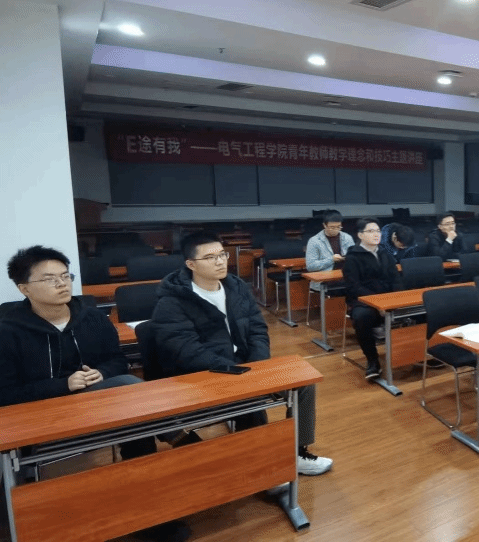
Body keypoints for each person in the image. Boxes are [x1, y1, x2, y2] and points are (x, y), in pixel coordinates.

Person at [1, 245, 194, 541]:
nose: (62, 284)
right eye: (50, 279)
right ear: (24, 288)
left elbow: (117, 361)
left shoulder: (92, 318)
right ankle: (181, 438)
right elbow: (6, 394)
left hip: (95, 404)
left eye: (65, 276)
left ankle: (148, 511)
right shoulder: (7, 332)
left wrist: (102, 373)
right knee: (130, 391)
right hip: (40, 415)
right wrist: (63, 385)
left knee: (134, 411)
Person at [151, 231, 333, 476]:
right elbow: (186, 350)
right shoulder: (172, 301)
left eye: (222, 255)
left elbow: (257, 328)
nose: (220, 261)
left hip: (247, 367)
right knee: (251, 404)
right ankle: (259, 469)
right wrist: (236, 372)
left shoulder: (236, 287)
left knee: (303, 384)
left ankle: (296, 451)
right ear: (191, 264)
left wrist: (257, 364)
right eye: (210, 258)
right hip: (204, 375)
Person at [343, 218, 402, 380]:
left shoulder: (385, 253)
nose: (376, 234)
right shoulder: (352, 257)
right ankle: (372, 360)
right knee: (362, 317)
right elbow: (354, 287)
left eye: (378, 231)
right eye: (371, 231)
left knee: (419, 311)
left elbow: (396, 279)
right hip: (363, 301)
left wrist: (394, 299)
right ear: (360, 235)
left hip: (388, 300)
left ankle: (416, 353)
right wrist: (377, 304)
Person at [305, 211, 355, 291]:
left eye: (338, 227)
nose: (336, 230)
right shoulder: (314, 241)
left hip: (346, 278)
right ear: (324, 225)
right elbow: (311, 266)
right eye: (332, 227)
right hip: (325, 281)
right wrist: (331, 259)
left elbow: (355, 259)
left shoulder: (347, 238)